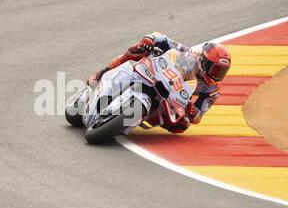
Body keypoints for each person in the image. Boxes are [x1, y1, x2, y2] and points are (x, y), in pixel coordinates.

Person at [87, 32, 231, 133]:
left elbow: (199, 115)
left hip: (173, 99)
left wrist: (193, 112)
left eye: (221, 72)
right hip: (156, 73)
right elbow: (161, 37)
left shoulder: (212, 89)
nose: (216, 75)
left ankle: (130, 118)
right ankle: (103, 72)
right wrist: (149, 39)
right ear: (203, 61)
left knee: (181, 127)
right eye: (215, 69)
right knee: (138, 49)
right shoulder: (187, 53)